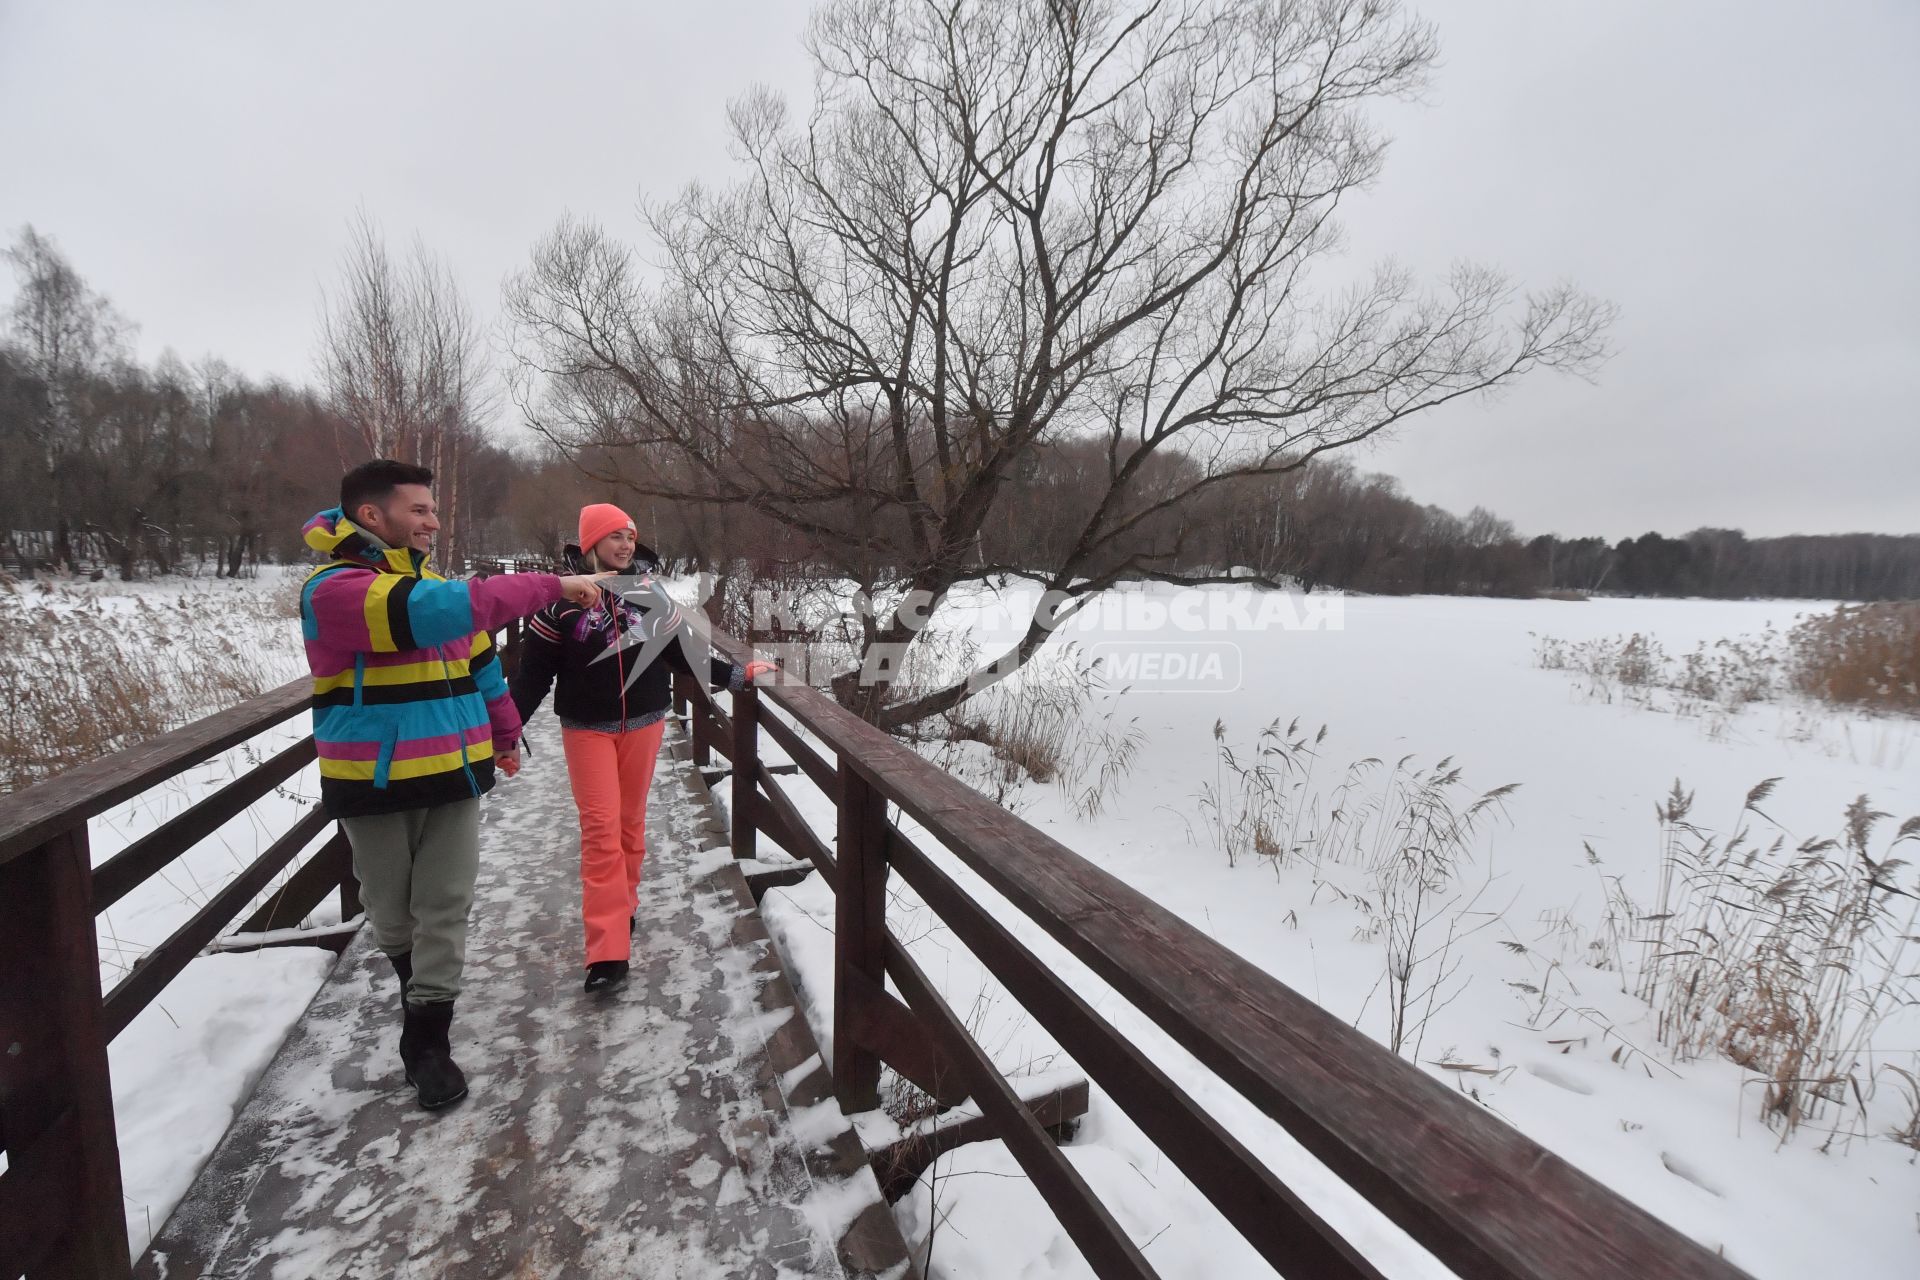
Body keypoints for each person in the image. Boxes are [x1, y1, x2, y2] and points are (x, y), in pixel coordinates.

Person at [300, 460, 608, 1109]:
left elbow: (483, 669)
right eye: (419, 510)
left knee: (445, 904)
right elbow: (445, 613)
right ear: (371, 516)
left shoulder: (431, 588)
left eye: (434, 510)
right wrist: (555, 584)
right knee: (392, 913)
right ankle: (420, 994)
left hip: (452, 773)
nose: (433, 522)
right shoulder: (337, 591)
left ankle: (428, 1042)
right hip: (375, 782)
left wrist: (503, 735)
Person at [510, 503, 774, 993]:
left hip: (645, 723)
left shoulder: (650, 595)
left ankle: (622, 908)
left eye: (630, 536)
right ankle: (607, 952)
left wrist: (734, 674)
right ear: (590, 544)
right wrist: (505, 734)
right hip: (586, 727)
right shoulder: (559, 603)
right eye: (615, 536)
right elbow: (531, 678)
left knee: (629, 824)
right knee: (600, 830)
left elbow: (680, 655)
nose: (626, 544)